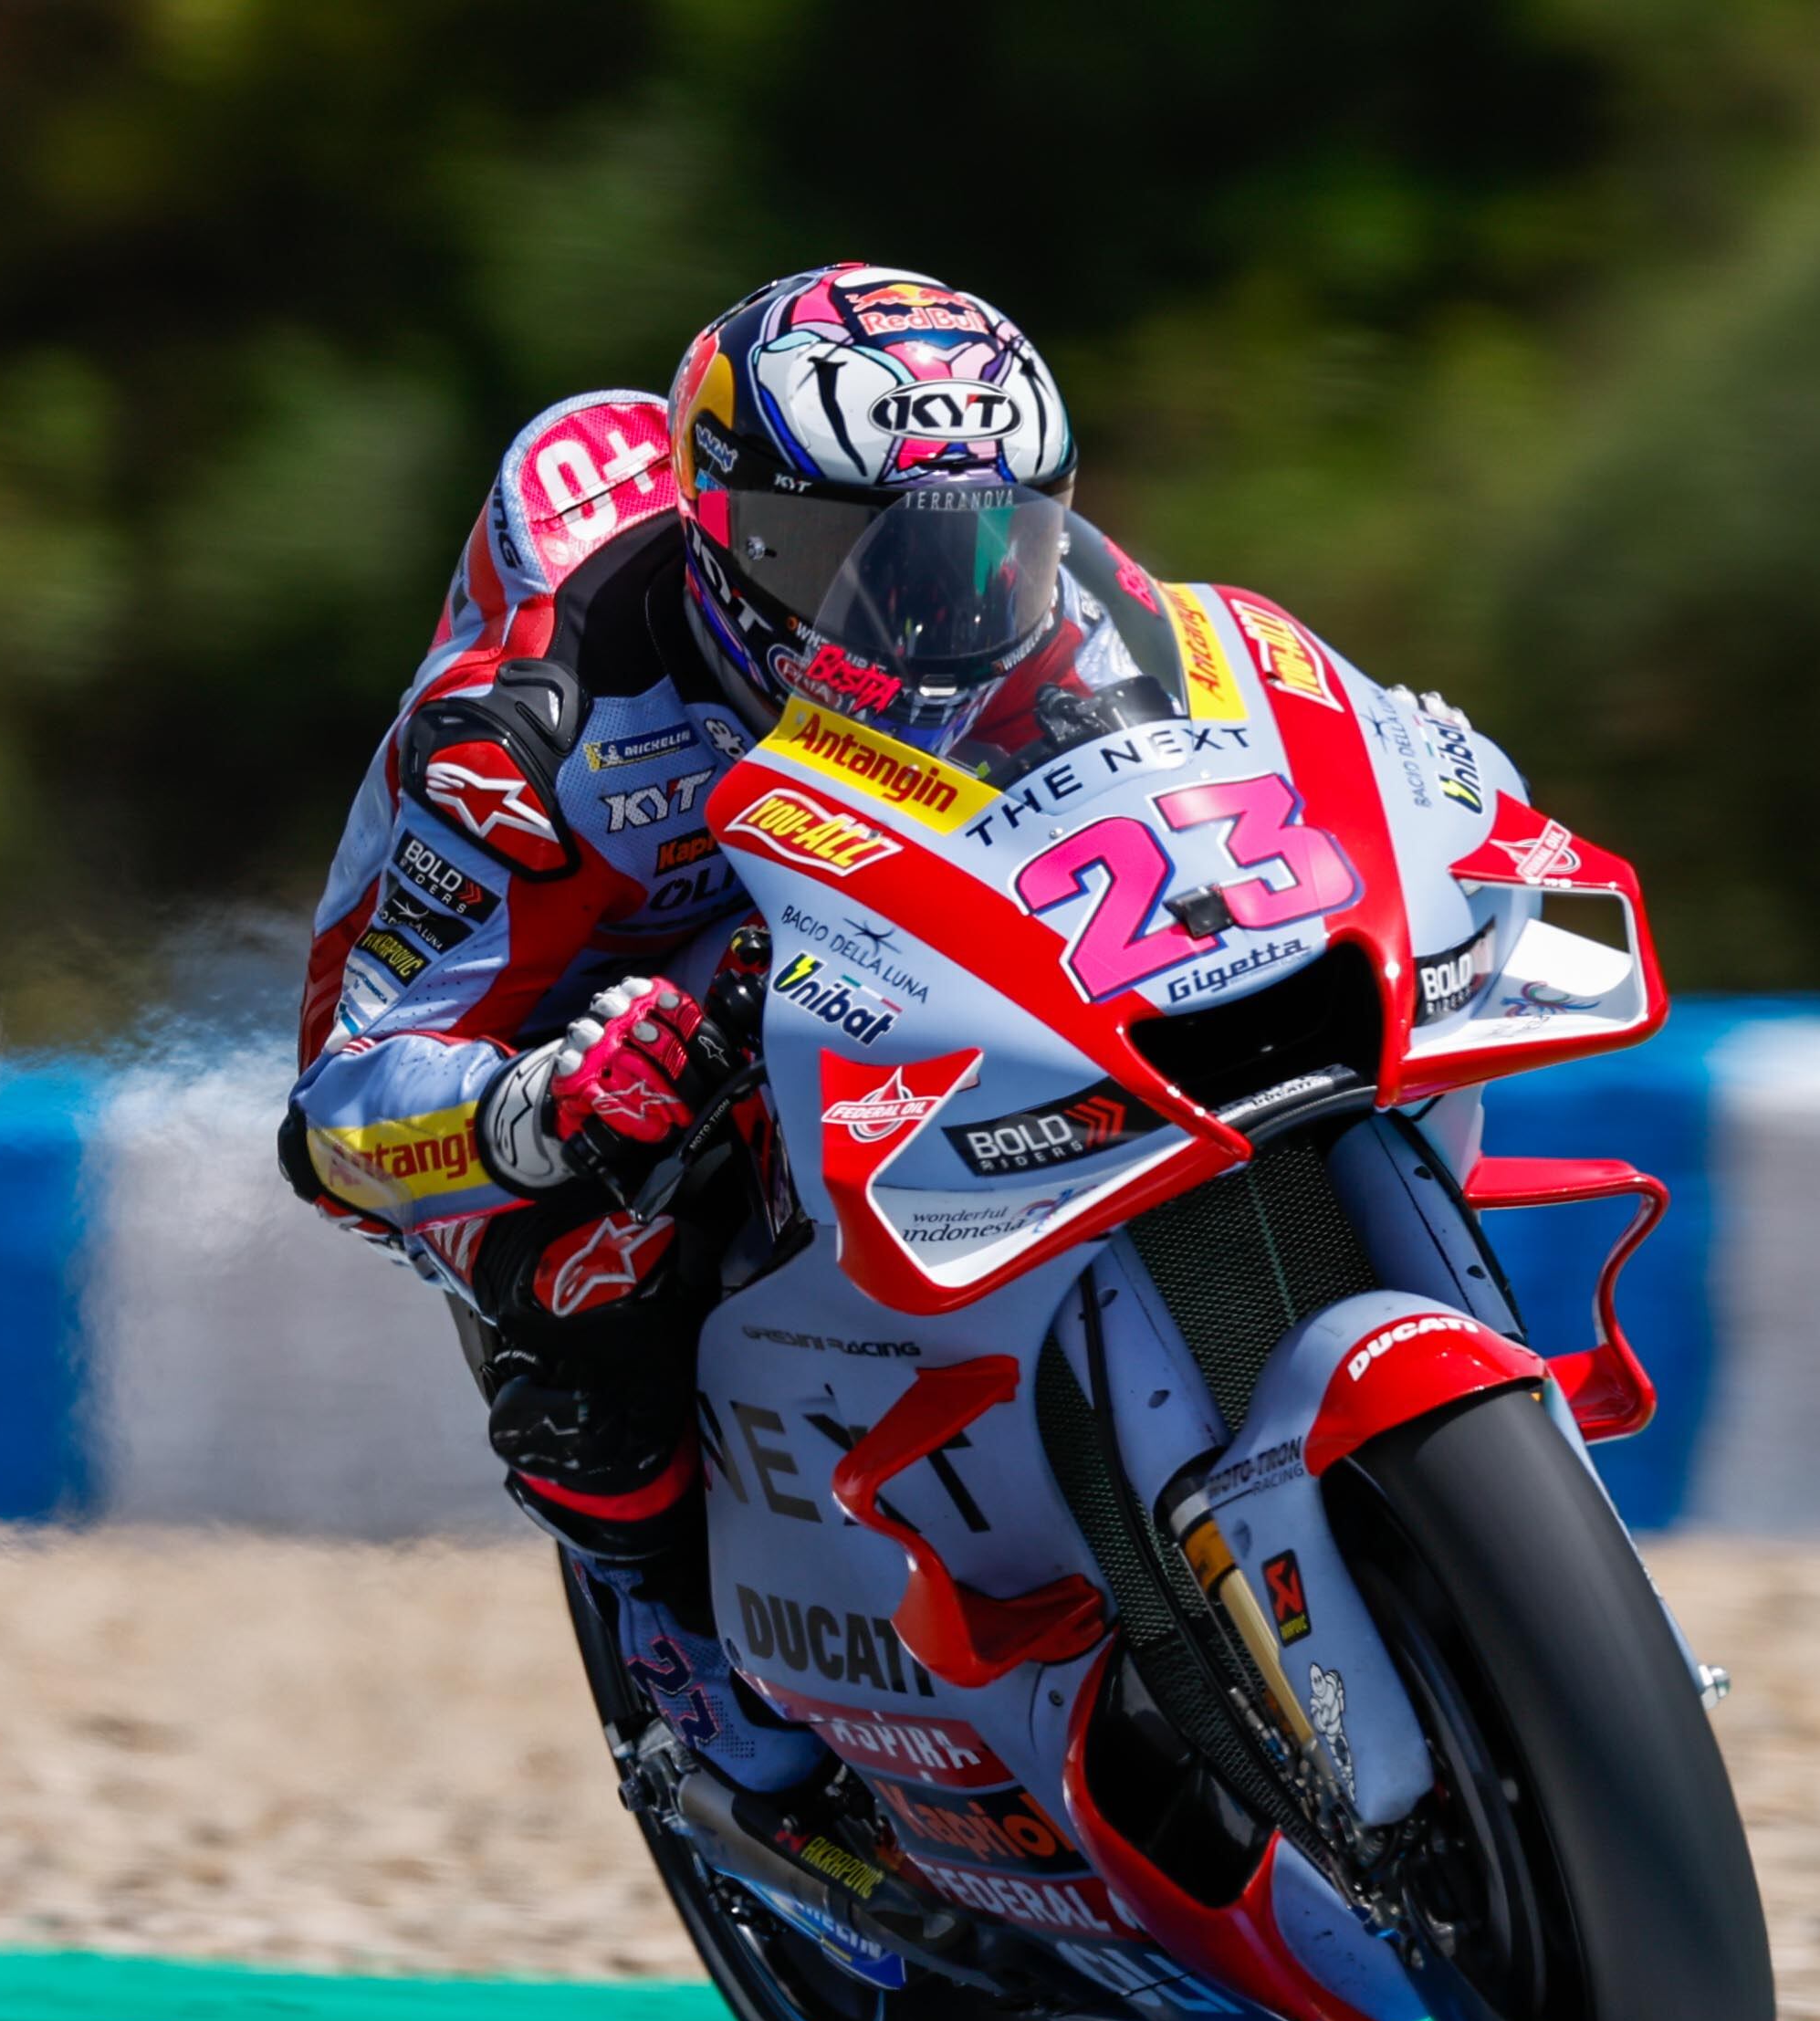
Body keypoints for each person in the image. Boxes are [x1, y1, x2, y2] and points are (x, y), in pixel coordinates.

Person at [280, 264, 1181, 1791]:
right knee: (594, 1280)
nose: (915, 613)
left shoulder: (1076, 618)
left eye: (977, 551)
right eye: (835, 556)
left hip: (889, 931)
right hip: (584, 1023)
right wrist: (544, 1104)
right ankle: (689, 1667)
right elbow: (335, 1119)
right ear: (721, 534)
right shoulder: (534, 736)